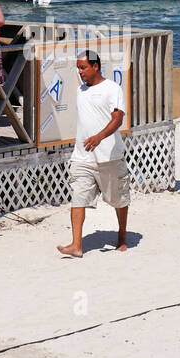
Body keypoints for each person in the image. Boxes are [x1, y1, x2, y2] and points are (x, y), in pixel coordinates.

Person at [57, 49, 130, 257]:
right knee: (78, 198)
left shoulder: (112, 88)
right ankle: (76, 245)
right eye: (78, 68)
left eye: (83, 67)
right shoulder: (81, 90)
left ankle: (122, 235)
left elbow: (118, 118)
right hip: (82, 156)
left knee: (118, 199)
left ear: (95, 67)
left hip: (110, 156)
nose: (80, 72)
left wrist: (99, 137)